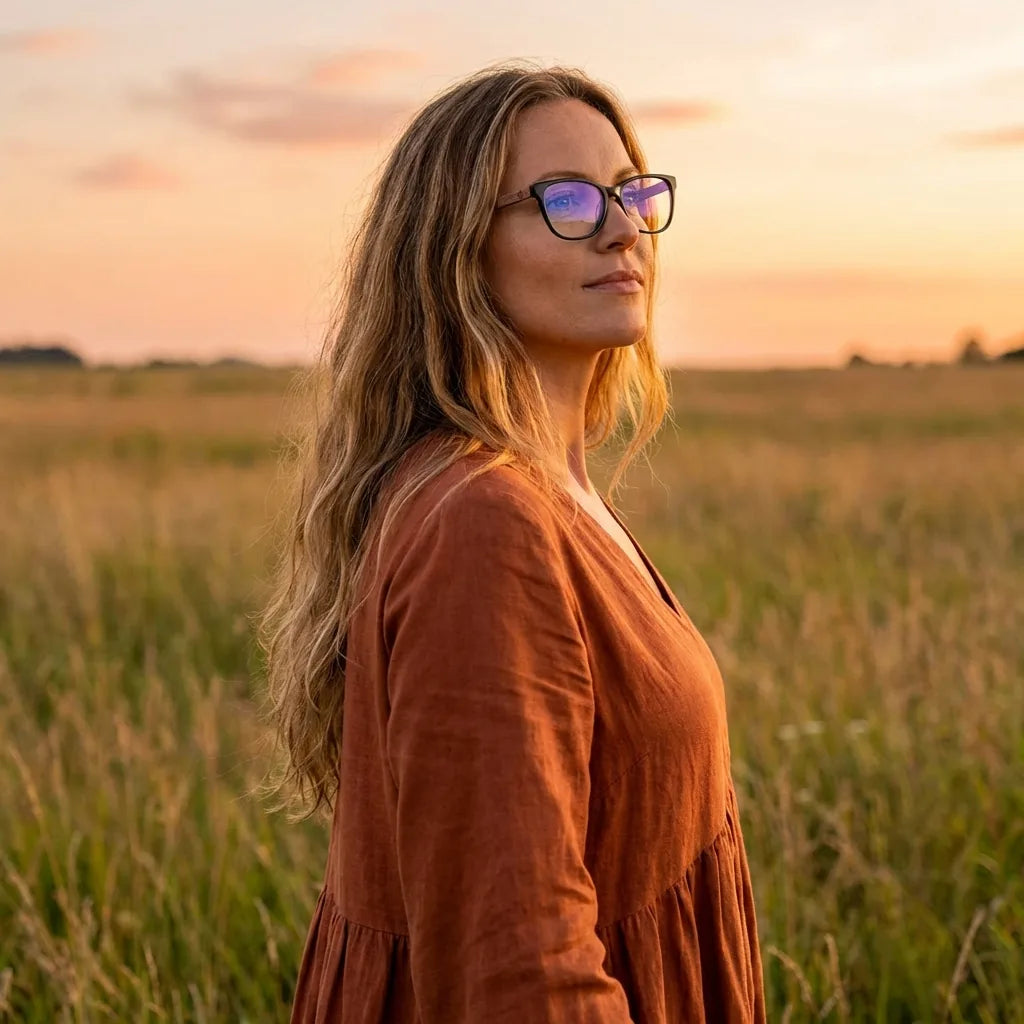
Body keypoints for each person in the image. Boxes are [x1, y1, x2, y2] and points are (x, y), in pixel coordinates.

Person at [259, 60, 767, 1024]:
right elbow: (520, 968)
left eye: (631, 192)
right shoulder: (482, 520)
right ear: (454, 250)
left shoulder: (551, 490)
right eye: (566, 201)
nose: (622, 229)